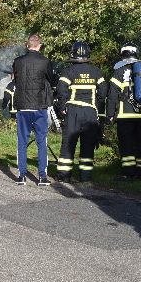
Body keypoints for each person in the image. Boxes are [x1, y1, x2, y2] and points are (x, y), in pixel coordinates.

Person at [54, 41, 107, 183]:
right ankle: (85, 177)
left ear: (73, 54)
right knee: (88, 145)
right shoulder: (96, 72)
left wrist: (62, 107)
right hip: (90, 113)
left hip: (73, 112)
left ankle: (64, 176)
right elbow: (103, 92)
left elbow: (61, 90)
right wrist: (96, 105)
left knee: (68, 144)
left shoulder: (68, 71)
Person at [106, 43, 141, 179]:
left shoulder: (119, 71)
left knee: (127, 145)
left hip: (125, 115)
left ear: (123, 55)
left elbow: (111, 95)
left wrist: (110, 114)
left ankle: (128, 174)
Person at [12, 34, 55, 186]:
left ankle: (21, 175)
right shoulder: (45, 62)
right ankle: (42, 177)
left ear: (27, 45)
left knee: (22, 142)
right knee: (41, 141)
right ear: (40, 45)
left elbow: (16, 81)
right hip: (39, 106)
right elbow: (51, 80)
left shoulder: (18, 62)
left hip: (23, 107)